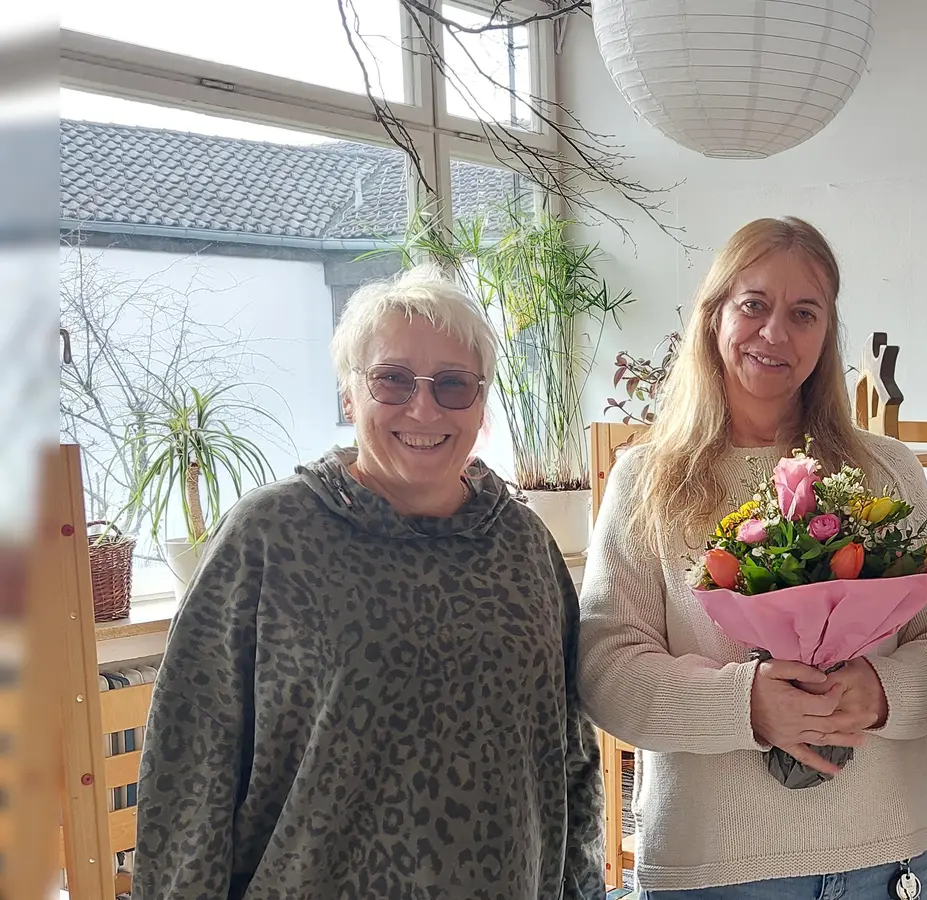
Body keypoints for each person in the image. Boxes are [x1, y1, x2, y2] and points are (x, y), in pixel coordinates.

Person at [134, 267, 603, 899]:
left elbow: (570, 755)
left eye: (454, 385)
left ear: (481, 403)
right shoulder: (273, 536)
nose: (424, 407)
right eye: (393, 379)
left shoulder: (522, 545)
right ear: (350, 395)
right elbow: (190, 761)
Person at [579, 216, 927, 898]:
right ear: (714, 317)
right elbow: (606, 671)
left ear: (826, 335)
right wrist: (744, 705)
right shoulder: (648, 481)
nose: (775, 334)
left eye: (803, 313)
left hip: (888, 857)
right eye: (754, 305)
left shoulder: (888, 471)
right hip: (718, 867)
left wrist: (882, 693)